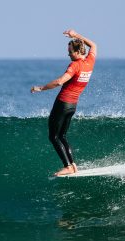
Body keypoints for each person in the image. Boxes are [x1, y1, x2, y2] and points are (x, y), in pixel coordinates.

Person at [31, 29, 98, 176]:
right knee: (62, 136)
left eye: (70, 52)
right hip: (73, 105)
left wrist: (40, 88)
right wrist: (76, 35)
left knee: (53, 137)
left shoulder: (75, 66)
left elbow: (60, 81)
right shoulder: (89, 62)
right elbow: (93, 45)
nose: (68, 54)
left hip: (62, 103)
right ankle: (73, 165)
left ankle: (67, 166)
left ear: (77, 51)